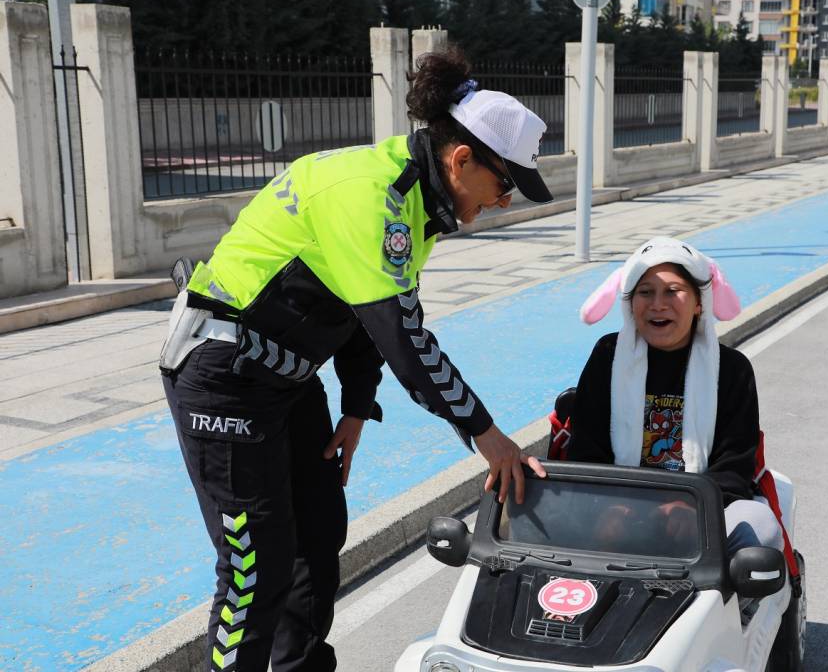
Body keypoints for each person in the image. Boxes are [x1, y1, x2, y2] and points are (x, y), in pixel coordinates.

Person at [158, 47, 548, 671]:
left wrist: (356, 409)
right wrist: (489, 438)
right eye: (505, 185)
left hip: (285, 377)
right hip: (222, 375)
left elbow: (367, 321)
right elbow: (406, 344)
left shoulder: (415, 202)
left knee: (316, 539)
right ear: (462, 158)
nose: (505, 202)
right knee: (256, 566)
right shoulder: (372, 194)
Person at [566, 237, 783, 556]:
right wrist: (609, 505)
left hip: (701, 507)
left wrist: (691, 505)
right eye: (645, 292)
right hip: (618, 502)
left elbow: (734, 464)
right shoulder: (607, 356)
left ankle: (736, 607)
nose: (657, 304)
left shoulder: (732, 370)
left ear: (699, 302)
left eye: (672, 291)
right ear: (630, 301)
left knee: (759, 527)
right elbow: (585, 448)